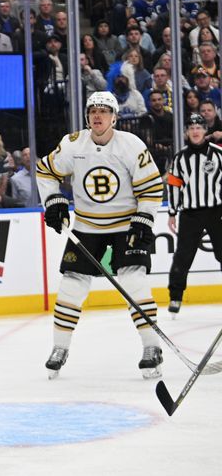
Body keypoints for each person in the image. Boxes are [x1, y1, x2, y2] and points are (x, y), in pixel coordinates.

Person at [36, 91, 165, 380]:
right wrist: (54, 200)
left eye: (104, 111)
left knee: (134, 281)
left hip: (125, 225)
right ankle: (60, 347)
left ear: (114, 117)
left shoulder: (130, 145)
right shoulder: (72, 144)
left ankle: (152, 348)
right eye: (93, 110)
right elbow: (45, 171)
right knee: (71, 285)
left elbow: (152, 187)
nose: (97, 115)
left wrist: (144, 218)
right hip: (87, 226)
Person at [165, 114, 222, 317]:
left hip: (217, 211)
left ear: (205, 131)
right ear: (187, 132)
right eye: (191, 128)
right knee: (183, 256)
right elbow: (174, 187)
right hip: (190, 213)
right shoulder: (180, 158)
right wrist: (172, 213)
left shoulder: (218, 154)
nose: (195, 131)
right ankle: (176, 296)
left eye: (199, 127)